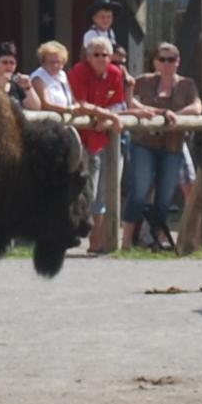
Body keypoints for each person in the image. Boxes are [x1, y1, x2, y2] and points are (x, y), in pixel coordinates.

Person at [124, 42, 200, 249]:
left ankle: (156, 240)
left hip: (173, 146)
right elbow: (128, 99)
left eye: (172, 59)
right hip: (144, 143)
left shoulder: (187, 84)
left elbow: (197, 106)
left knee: (165, 196)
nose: (167, 64)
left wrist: (176, 115)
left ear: (178, 61)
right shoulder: (145, 81)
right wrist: (158, 113)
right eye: (162, 59)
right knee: (139, 191)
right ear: (155, 62)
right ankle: (125, 242)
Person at [67, 31, 133, 247]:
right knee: (87, 189)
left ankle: (99, 241)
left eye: (105, 55)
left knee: (106, 190)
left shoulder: (115, 73)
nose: (101, 59)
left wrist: (107, 118)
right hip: (82, 138)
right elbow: (81, 104)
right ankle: (78, 235)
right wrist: (109, 116)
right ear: (88, 56)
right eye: (96, 54)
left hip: (105, 136)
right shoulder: (78, 71)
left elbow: (118, 104)